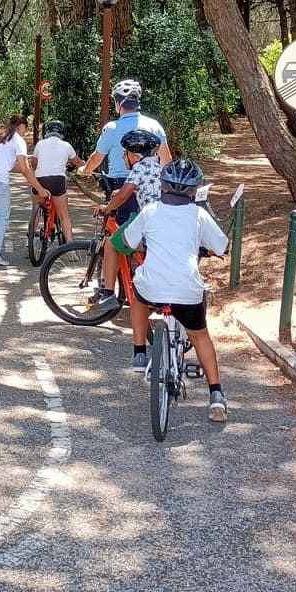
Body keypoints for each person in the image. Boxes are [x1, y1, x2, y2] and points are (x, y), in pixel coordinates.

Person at [109, 159, 230, 422]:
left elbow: (129, 242)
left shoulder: (150, 211)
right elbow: (222, 245)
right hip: (186, 291)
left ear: (162, 186)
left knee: (138, 298)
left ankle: (139, 352)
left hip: (153, 287)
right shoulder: (199, 215)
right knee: (200, 336)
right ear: (194, 191)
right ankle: (216, 395)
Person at [79, 79, 171, 309]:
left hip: (123, 186)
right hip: (153, 188)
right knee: (138, 237)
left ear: (119, 104)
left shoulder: (112, 128)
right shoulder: (155, 126)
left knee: (115, 239)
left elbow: (96, 158)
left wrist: (84, 171)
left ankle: (111, 292)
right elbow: (167, 159)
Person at [90, 128, 164, 313]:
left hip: (149, 225)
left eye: (125, 153)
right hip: (162, 222)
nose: (124, 158)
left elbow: (123, 195)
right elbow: (146, 188)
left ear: (134, 154)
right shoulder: (157, 166)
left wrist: (108, 207)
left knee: (111, 243)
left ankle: (107, 293)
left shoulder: (140, 167)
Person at [0, 114, 50, 266]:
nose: (24, 133)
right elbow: (25, 168)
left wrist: (25, 170)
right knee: (1, 216)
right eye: (25, 129)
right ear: (22, 126)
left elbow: (12, 166)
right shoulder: (18, 140)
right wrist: (39, 188)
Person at [29, 119, 85, 247]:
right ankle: (70, 248)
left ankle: (30, 243)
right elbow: (77, 162)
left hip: (40, 180)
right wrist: (86, 167)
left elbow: (34, 164)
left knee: (35, 212)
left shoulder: (40, 144)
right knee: (64, 215)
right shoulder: (66, 145)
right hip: (57, 181)